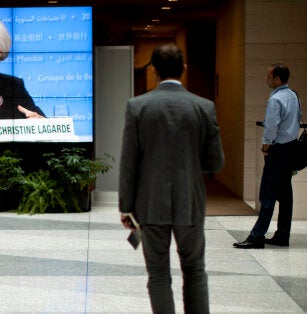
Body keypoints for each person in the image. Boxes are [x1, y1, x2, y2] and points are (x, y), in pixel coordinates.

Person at [118, 43, 224, 314]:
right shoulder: (204, 107)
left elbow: (129, 162)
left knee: (158, 274)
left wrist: (125, 207)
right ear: (184, 68)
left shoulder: (137, 107)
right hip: (190, 201)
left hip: (151, 203)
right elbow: (215, 162)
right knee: (195, 271)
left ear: (153, 70)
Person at [234, 63, 300, 249]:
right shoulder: (293, 95)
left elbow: (271, 126)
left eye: (269, 76)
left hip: (277, 150)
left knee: (268, 194)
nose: (266, 79)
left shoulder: (275, 99)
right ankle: (282, 235)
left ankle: (257, 236)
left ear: (277, 79)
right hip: (290, 148)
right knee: (286, 195)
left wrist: (265, 145)